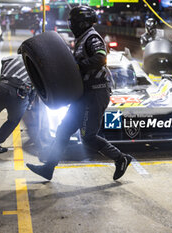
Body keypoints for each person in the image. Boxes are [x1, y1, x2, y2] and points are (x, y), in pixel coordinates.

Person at [26, 6, 133, 181]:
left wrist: (77, 66)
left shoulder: (91, 37)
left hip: (96, 93)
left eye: (73, 22)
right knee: (63, 130)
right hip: (84, 94)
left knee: (88, 137)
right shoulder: (83, 38)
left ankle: (121, 158)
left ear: (82, 23)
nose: (71, 25)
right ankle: (49, 168)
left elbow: (100, 58)